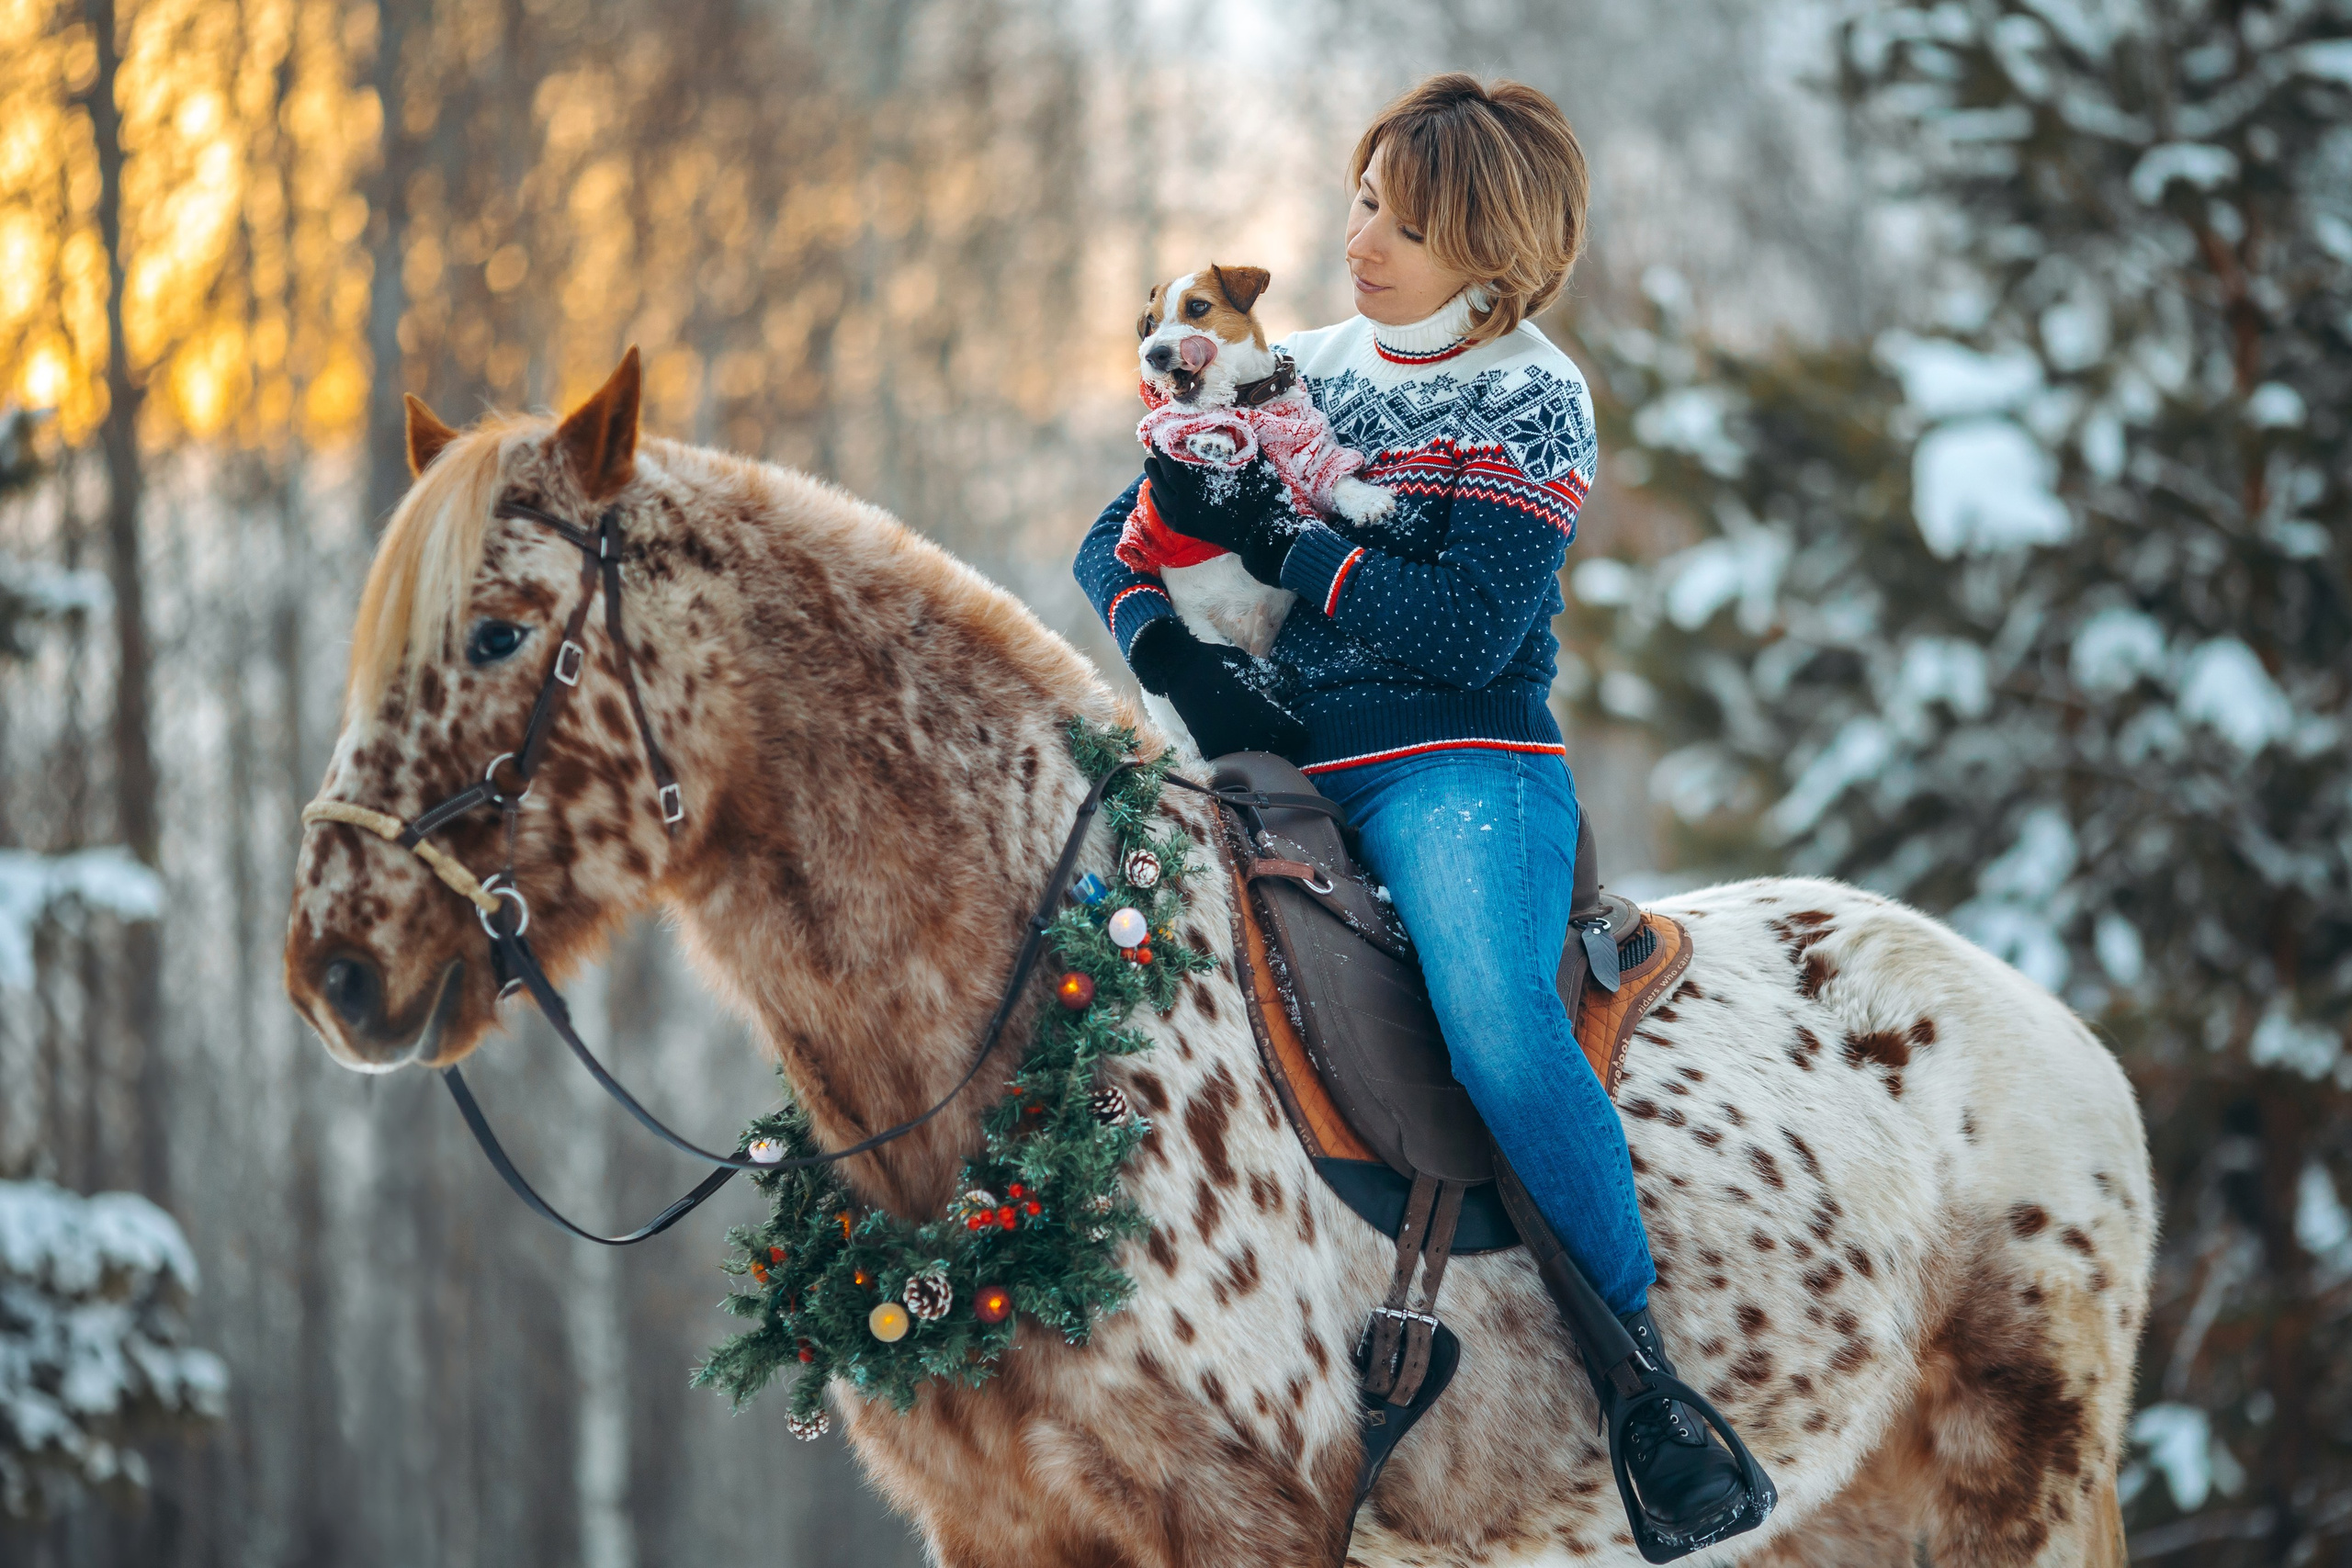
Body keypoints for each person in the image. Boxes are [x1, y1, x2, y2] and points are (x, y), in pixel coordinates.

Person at [1075, 74, 1755, 1543]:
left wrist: (1292, 551)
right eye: (1363, 198)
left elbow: (1455, 630)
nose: (1358, 236)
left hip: (1462, 763)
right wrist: (1179, 668)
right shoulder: (1289, 361)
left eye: (1399, 216)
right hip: (1273, 761)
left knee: (1499, 1028)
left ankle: (1648, 1390)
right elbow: (1109, 544)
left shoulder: (1535, 398)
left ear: (1490, 252)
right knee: (1088, 934)